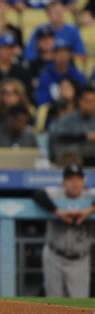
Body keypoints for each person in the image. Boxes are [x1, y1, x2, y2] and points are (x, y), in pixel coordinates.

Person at [33, 164, 95, 297]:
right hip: (54, 256)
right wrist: (58, 212)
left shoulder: (89, 195)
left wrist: (88, 210)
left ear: (83, 182)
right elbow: (37, 194)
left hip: (80, 259)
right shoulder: (56, 194)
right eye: (70, 179)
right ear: (63, 182)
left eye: (78, 179)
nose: (75, 183)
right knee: (54, 304)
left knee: (79, 305)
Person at [49, 86, 95, 166]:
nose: (90, 105)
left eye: (93, 101)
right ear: (80, 101)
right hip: (72, 162)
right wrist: (85, 136)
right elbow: (57, 136)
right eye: (87, 101)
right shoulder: (68, 119)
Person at [36, 40, 86, 106]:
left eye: (65, 52)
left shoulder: (77, 75)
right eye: (58, 52)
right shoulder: (45, 76)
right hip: (53, 112)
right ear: (53, 55)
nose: (62, 55)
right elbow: (42, 101)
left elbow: (85, 97)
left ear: (70, 55)